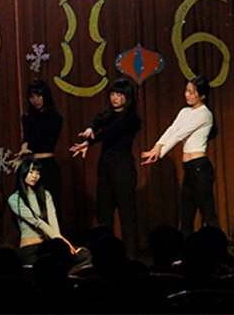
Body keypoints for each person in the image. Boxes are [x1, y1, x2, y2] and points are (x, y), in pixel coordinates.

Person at [70, 78, 141, 259]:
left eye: (119, 94)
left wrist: (90, 141)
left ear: (127, 97)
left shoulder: (131, 118)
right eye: (112, 94)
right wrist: (90, 129)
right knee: (104, 216)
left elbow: (112, 132)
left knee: (127, 217)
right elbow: (97, 121)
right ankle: (105, 258)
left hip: (122, 166)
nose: (115, 98)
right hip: (106, 167)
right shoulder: (107, 114)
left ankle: (131, 258)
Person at [140, 75, 219, 237]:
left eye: (192, 92)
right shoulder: (184, 112)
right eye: (186, 91)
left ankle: (219, 248)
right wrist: (156, 147)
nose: (187, 95)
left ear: (202, 96)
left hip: (200, 168)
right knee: (186, 217)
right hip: (189, 169)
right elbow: (172, 129)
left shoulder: (204, 114)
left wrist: (159, 153)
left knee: (208, 215)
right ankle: (185, 250)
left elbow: (180, 134)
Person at [9, 158, 75, 264]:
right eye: (31, 172)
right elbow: (36, 221)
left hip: (47, 247)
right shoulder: (15, 199)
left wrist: (59, 243)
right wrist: (61, 240)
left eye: (38, 173)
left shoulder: (45, 195)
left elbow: (52, 219)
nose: (35, 176)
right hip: (29, 248)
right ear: (23, 172)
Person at [15, 80, 64, 214]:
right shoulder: (27, 117)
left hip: (47, 164)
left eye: (38, 96)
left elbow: (40, 136)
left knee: (51, 205)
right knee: (30, 205)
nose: (35, 100)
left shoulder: (55, 117)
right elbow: (27, 137)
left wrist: (26, 147)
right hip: (32, 163)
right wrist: (23, 149)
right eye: (32, 97)